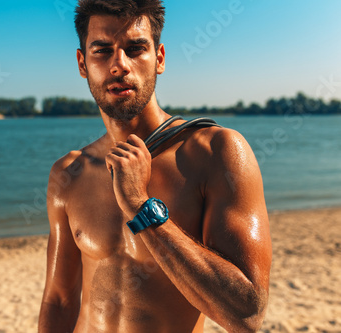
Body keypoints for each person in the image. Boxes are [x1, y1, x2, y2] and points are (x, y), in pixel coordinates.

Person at [38, 0, 272, 332]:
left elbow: (246, 315)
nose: (119, 65)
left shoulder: (215, 152)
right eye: (102, 51)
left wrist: (141, 207)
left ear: (159, 58)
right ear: (82, 63)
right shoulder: (69, 173)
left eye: (135, 49)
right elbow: (58, 300)